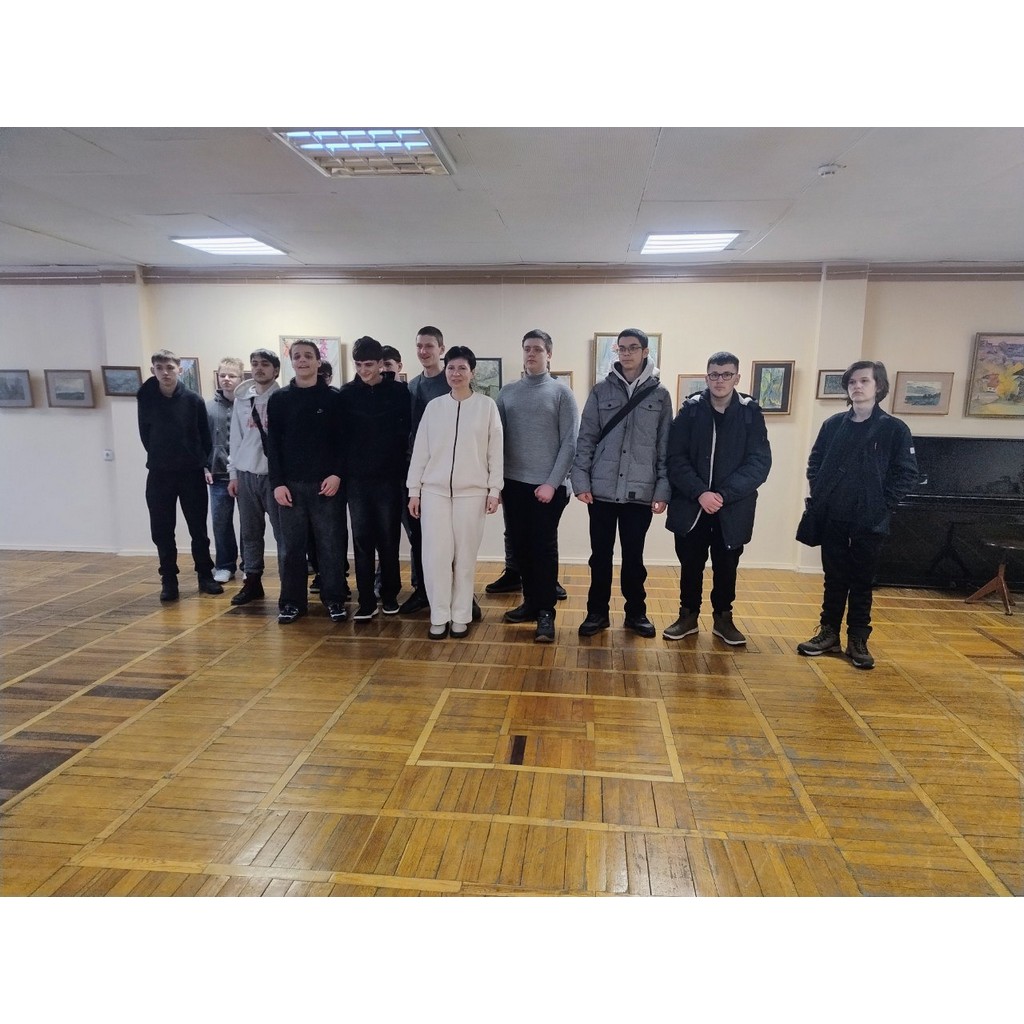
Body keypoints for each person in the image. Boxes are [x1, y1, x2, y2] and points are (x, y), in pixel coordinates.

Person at [797, 360, 918, 669]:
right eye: (852, 382)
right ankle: (828, 633)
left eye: (864, 381)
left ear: (879, 386)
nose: (857, 386)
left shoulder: (894, 429)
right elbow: (815, 462)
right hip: (834, 516)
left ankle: (858, 639)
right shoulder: (833, 425)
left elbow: (906, 474)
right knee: (834, 578)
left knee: (862, 581)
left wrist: (882, 505)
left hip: (870, 520)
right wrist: (820, 492)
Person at [664, 351, 772, 645]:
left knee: (726, 566)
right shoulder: (690, 411)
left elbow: (759, 463)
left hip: (732, 508)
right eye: (714, 374)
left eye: (726, 374)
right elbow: (675, 458)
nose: (719, 380)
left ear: (737, 378)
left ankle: (723, 619)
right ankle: (687, 616)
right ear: (706, 377)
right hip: (692, 506)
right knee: (690, 564)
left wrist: (722, 495)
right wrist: (700, 493)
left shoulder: (750, 413)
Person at [571, 328, 672, 638]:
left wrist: (663, 489)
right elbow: (586, 437)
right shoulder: (601, 391)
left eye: (633, 348)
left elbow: (665, 445)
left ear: (645, 351)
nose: (626, 353)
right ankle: (597, 613)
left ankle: (636, 613)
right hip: (601, 491)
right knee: (599, 557)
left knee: (634, 559)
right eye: (622, 348)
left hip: (640, 492)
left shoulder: (660, 394)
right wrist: (580, 480)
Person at [407, 346, 503, 639]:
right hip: (434, 493)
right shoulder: (434, 407)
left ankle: (461, 615)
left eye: (462, 368)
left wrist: (494, 489)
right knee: (435, 557)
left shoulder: (487, 407)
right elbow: (421, 451)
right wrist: (414, 490)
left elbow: (495, 451)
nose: (456, 373)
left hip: (472, 493)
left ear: (472, 372)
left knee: (464, 558)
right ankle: (439, 615)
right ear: (445, 371)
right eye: (451, 368)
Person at [497, 330, 579, 643]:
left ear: (549, 355)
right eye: (527, 349)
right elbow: (497, 441)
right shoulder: (507, 393)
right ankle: (530, 603)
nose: (531, 354)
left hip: (548, 487)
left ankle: (546, 612)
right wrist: (497, 483)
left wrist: (552, 483)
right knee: (521, 547)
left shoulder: (561, 393)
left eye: (537, 349)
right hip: (513, 485)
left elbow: (570, 443)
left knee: (543, 549)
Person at [266, 339, 347, 624]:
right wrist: (277, 483)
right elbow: (272, 445)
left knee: (331, 546)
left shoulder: (334, 399)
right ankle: (291, 603)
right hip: (290, 487)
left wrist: (337, 474)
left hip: (327, 487)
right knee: (291, 549)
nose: (302, 360)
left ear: (317, 361)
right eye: (297, 356)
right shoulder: (279, 399)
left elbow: (344, 442)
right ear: (291, 362)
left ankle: (334, 599)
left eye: (308, 356)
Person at [136, 349, 222, 601]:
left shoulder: (193, 400)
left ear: (179, 370)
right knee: (162, 530)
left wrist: (201, 463)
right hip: (159, 474)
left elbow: (205, 436)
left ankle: (205, 575)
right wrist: (161, 457)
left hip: (191, 473)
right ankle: (169, 579)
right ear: (153, 370)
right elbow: (145, 434)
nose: (165, 372)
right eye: (160, 368)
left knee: (198, 529)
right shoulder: (147, 398)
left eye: (170, 368)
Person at [339, 336, 411, 620]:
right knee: (362, 540)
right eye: (358, 365)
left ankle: (390, 594)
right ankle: (366, 599)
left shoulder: (399, 392)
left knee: (389, 539)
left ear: (381, 364)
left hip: (389, 478)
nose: (363, 370)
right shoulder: (346, 394)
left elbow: (405, 432)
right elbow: (340, 437)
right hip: (357, 480)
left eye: (368, 364)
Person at [227, 348, 284, 607]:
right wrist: (233, 474)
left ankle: (289, 586)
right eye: (255, 364)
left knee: (283, 534)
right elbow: (236, 438)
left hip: (275, 477)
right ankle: (252, 581)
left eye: (265, 364)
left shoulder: (283, 398)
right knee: (249, 532)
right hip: (247, 474)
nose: (259, 368)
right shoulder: (242, 400)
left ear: (276, 370)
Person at [399, 326, 450, 614]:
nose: (423, 351)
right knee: (418, 536)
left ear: (441, 349)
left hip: (445, 474)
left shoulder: (451, 383)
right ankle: (423, 590)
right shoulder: (412, 387)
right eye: (419, 346)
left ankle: (458, 594)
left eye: (429, 346)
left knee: (449, 538)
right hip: (416, 472)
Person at [206, 356, 244, 583]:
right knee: (221, 522)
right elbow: (200, 439)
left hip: (244, 475)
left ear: (241, 378)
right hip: (218, 474)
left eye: (232, 375)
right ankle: (224, 565)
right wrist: (205, 467)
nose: (227, 379)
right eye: (223, 375)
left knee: (249, 524)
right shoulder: (208, 407)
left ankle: (249, 565)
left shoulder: (247, 405)